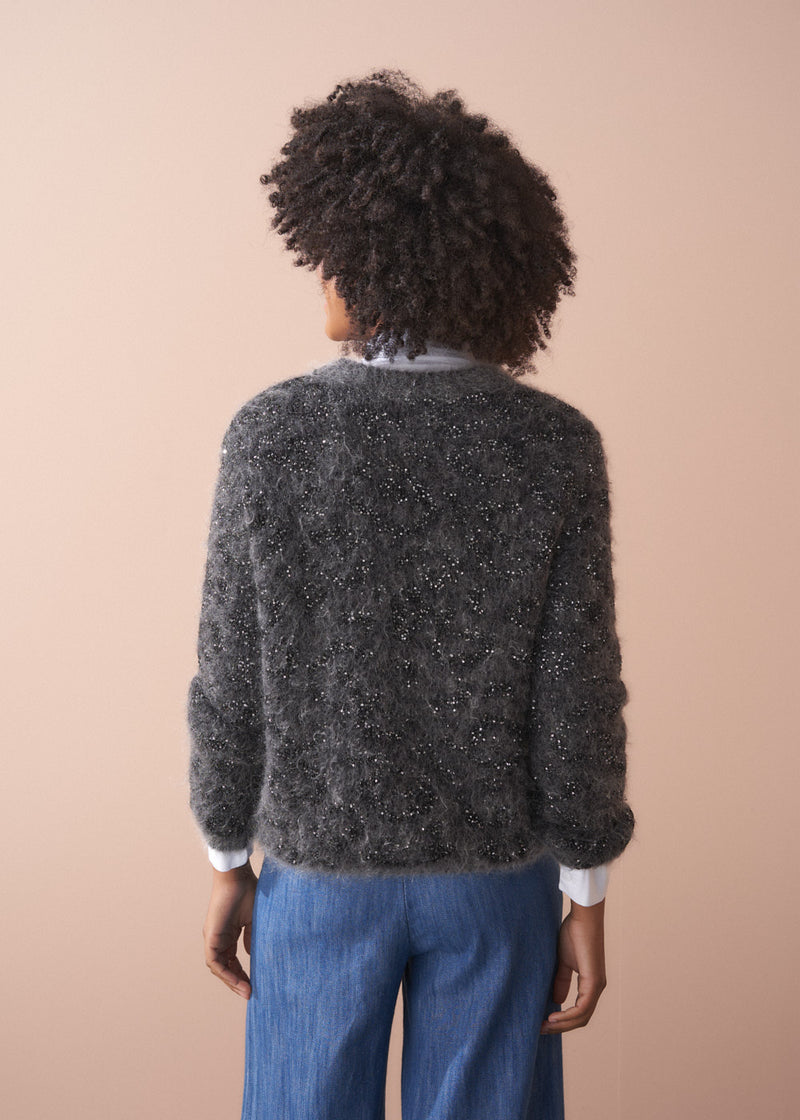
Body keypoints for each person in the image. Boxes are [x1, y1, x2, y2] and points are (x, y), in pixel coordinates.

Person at [187, 68, 635, 1120]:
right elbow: (576, 692)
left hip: (319, 881)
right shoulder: (552, 447)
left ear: (378, 260)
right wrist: (585, 887)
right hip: (495, 885)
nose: (319, 277)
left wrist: (223, 853)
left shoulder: (271, 435)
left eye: (329, 254)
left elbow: (228, 679)